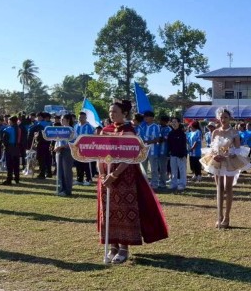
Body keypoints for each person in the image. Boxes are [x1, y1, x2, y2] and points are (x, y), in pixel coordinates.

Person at [98, 100, 169, 264]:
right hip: (105, 176)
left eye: (115, 111)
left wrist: (114, 174)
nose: (112, 114)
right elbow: (98, 154)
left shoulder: (129, 131)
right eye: (110, 111)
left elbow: (130, 157)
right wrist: (102, 174)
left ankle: (124, 247)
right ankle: (112, 246)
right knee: (108, 210)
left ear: (124, 114)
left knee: (124, 210)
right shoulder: (105, 130)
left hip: (125, 176)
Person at [200, 107, 251, 227]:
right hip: (217, 161)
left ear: (230, 118)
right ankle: (219, 216)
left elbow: (238, 149)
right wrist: (215, 155)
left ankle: (227, 217)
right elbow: (212, 147)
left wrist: (229, 154)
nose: (223, 119)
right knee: (219, 188)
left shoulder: (234, 132)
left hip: (229, 162)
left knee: (228, 188)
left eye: (226, 117)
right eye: (221, 117)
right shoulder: (215, 132)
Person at [54, 113, 75, 197]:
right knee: (60, 171)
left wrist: (62, 146)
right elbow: (57, 140)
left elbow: (73, 142)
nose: (61, 121)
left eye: (63, 119)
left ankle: (67, 190)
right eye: (61, 119)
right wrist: (56, 147)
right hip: (59, 151)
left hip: (67, 151)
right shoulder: (60, 129)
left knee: (67, 171)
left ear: (68, 120)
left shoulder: (71, 130)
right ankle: (61, 189)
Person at [167, 117, 188, 193]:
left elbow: (183, 145)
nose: (174, 124)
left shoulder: (182, 133)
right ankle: (174, 184)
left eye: (175, 122)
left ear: (179, 123)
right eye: (172, 122)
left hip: (181, 155)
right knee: (173, 170)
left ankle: (182, 184)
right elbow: (169, 144)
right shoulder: (170, 133)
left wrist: (182, 154)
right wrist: (169, 153)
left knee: (182, 170)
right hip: (173, 154)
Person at [74, 111, 95, 185]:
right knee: (78, 164)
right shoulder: (76, 126)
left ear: (86, 118)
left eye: (82, 117)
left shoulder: (89, 127)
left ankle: (88, 179)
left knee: (87, 164)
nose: (81, 118)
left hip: (86, 148)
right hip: (77, 148)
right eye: (79, 117)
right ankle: (79, 179)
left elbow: (92, 138)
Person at [1, 116, 22, 185]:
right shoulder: (19, 129)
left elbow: (4, 140)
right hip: (17, 147)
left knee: (9, 165)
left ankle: (9, 179)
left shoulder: (7, 129)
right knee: (16, 164)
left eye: (9, 120)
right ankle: (17, 179)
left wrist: (4, 146)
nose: (8, 121)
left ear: (11, 121)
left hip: (10, 147)